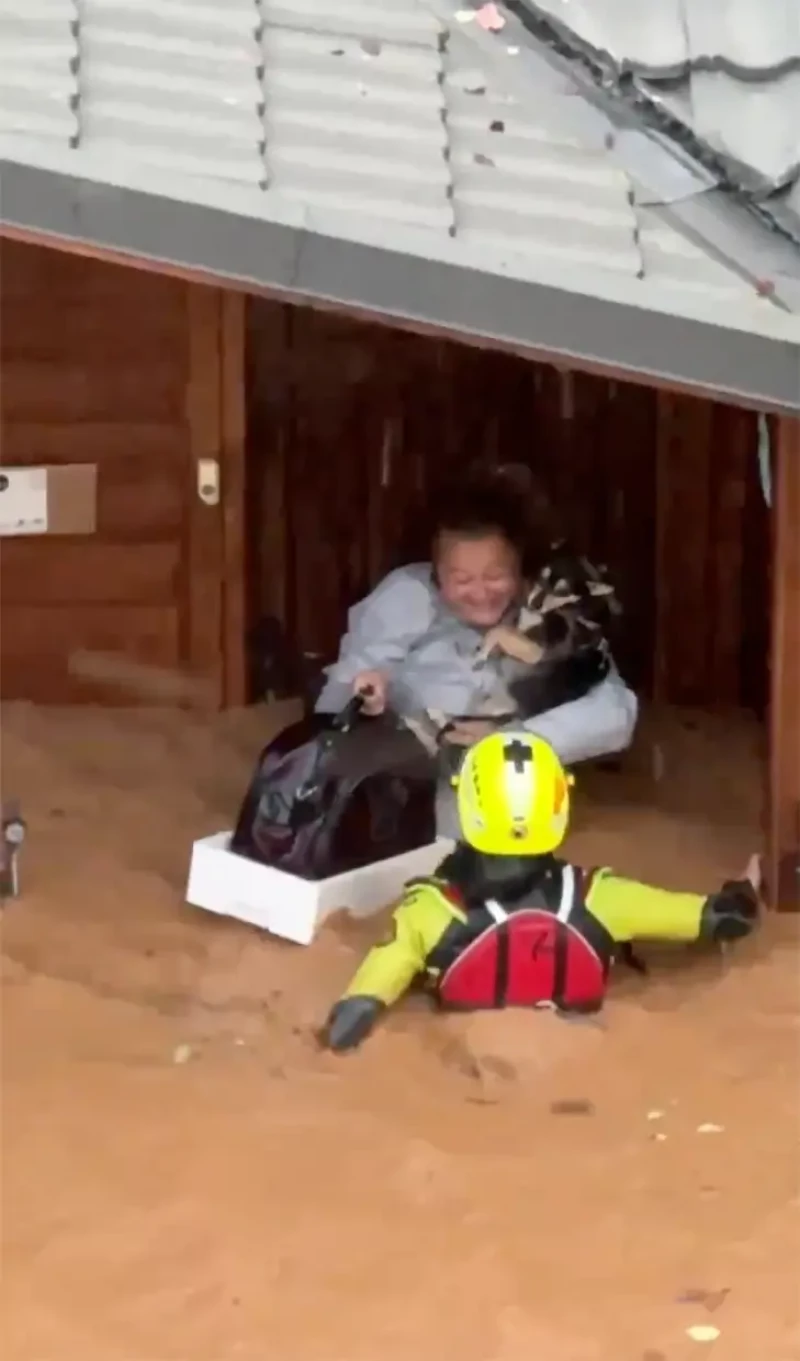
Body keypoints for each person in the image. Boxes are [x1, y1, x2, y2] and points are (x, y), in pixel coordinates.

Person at [322, 731, 761, 1052]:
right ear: (558, 804)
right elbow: (721, 919)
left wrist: (353, 1014)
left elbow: (362, 1004)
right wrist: (744, 889)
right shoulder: (602, 897)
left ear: (468, 805)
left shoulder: (428, 911)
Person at [314, 465, 637, 836]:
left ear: (521, 570)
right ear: (436, 572)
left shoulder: (551, 615)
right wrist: (366, 699)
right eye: (462, 580)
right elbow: (331, 705)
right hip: (409, 788)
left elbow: (616, 713)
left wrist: (508, 741)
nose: (481, 593)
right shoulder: (407, 596)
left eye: (496, 576)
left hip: (512, 801)